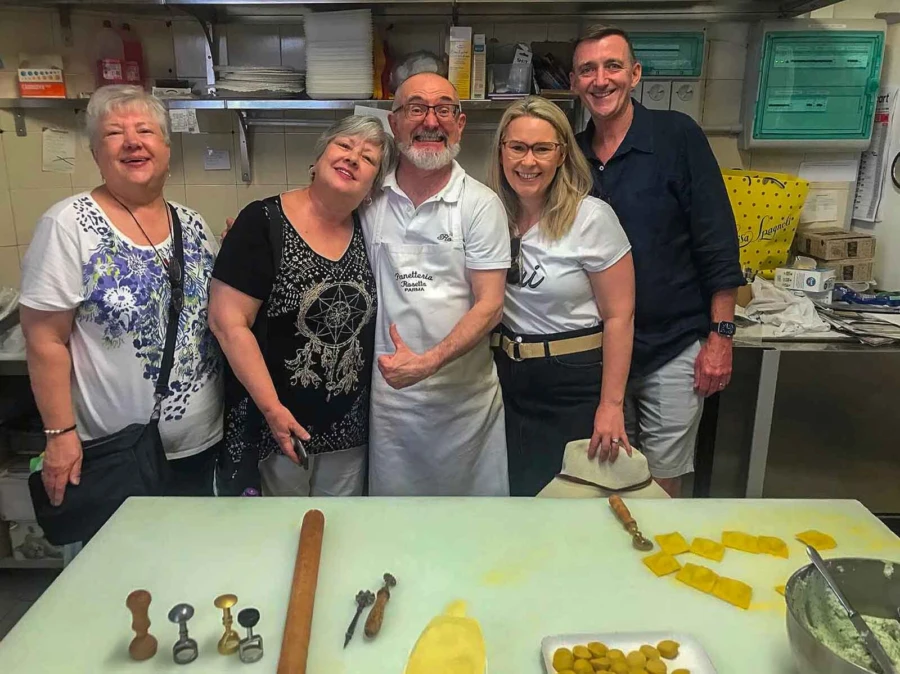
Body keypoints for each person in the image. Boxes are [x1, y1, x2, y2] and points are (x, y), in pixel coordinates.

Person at [20, 85, 223, 505]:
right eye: (114, 133)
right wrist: (59, 435)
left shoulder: (193, 224)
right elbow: (44, 340)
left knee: (193, 564)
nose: (132, 141)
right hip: (116, 454)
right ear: (96, 153)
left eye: (146, 131)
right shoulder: (67, 225)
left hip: (201, 447)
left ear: (166, 147)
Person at [570, 26, 744, 497]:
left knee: (661, 484)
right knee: (607, 477)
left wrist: (720, 336)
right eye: (588, 69)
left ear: (635, 74)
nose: (600, 80)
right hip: (601, 349)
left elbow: (717, 240)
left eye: (612, 66)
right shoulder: (574, 155)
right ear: (574, 82)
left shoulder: (676, 136)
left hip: (672, 347)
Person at [209, 116, 394, 496]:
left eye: (369, 158)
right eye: (344, 146)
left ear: (373, 187)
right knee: (274, 541)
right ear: (319, 158)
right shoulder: (262, 221)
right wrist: (272, 410)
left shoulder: (369, 231)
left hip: (348, 432)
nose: (353, 158)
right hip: (272, 428)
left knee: (339, 536)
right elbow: (228, 322)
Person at [364, 72, 511, 496]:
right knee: (398, 532)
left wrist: (429, 362)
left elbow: (490, 306)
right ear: (394, 123)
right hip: (393, 409)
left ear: (459, 123)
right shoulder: (370, 199)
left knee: (472, 534)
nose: (431, 121)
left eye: (444, 109)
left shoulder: (480, 205)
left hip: (465, 407)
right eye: (416, 108)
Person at [487, 95, 636, 496]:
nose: (527, 162)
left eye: (542, 149)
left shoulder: (592, 219)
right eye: (517, 147)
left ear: (562, 155)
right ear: (501, 150)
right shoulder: (490, 215)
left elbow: (620, 317)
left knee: (576, 501)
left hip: (574, 382)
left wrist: (610, 406)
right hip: (509, 380)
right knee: (521, 498)